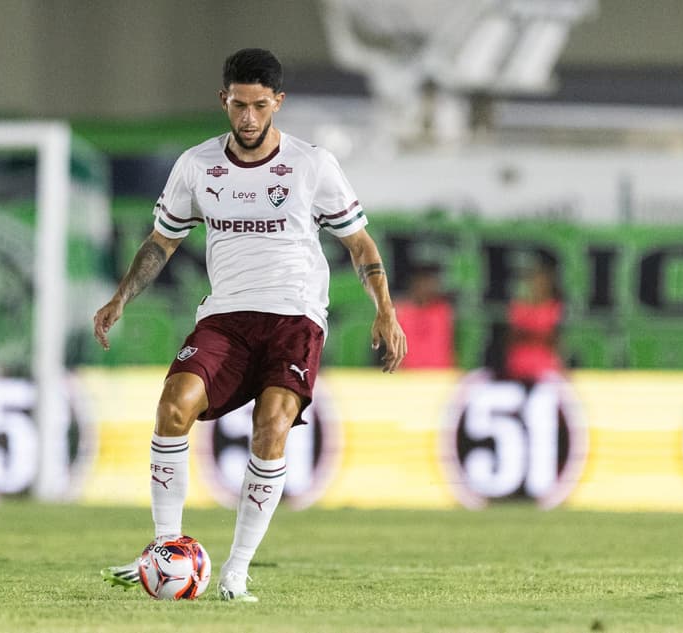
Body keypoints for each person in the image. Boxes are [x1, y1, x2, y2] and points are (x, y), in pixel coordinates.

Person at [93, 48, 406, 602]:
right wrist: (121, 298)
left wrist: (385, 307)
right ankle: (166, 552)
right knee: (172, 406)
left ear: (277, 103)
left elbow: (358, 241)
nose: (248, 118)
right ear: (224, 100)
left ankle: (235, 571)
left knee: (272, 423)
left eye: (260, 106)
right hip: (227, 316)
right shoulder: (197, 165)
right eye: (239, 105)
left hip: (295, 316)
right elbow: (164, 239)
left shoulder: (313, 164)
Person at [504, 258, 563, 382]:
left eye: (542, 279)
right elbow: (511, 335)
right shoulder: (517, 307)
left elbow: (555, 339)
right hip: (517, 370)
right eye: (534, 279)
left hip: (546, 372)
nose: (538, 283)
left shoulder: (555, 308)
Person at [392, 263, 454, 368]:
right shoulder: (400, 312)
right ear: (413, 284)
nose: (425, 287)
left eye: (430, 282)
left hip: (441, 374)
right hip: (409, 376)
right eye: (421, 282)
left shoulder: (443, 311)